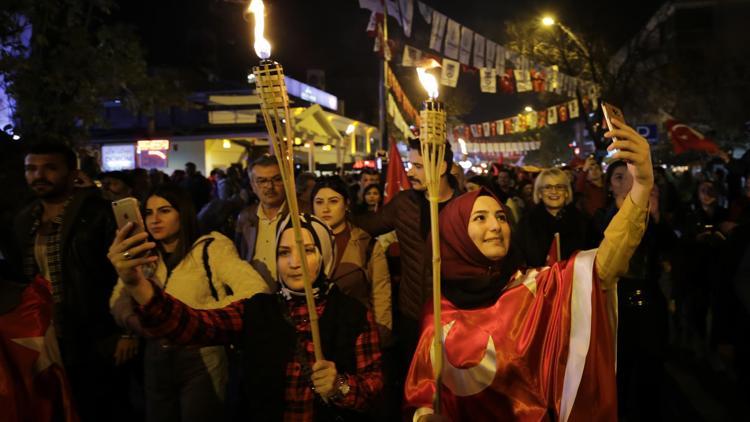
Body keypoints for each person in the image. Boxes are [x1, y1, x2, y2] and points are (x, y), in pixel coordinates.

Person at [405, 118, 652, 421]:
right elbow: (426, 392)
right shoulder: (438, 311)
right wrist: (427, 415)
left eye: (501, 216)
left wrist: (641, 186)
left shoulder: (534, 288)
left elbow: (604, 264)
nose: (496, 226)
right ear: (456, 234)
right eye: (480, 218)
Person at [108, 213, 383, 421]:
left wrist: (340, 386)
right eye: (283, 252)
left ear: (326, 256)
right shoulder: (256, 310)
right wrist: (136, 283)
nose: (294, 263)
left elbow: (374, 390)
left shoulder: (354, 314)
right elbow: (190, 326)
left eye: (307, 250)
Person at [109, 184, 268, 422]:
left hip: (201, 356)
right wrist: (135, 324)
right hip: (156, 357)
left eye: (164, 210)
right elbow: (118, 299)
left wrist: (195, 320)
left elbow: (255, 290)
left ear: (182, 213)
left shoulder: (211, 247)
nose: (155, 220)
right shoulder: (147, 254)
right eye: (149, 213)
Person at [13, 142, 124, 420]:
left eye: (50, 168)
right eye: (31, 169)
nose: (39, 175)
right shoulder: (24, 219)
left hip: (93, 334)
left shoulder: (99, 214)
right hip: (42, 337)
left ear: (72, 172)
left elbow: (125, 273)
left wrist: (126, 331)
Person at [352, 138, 457, 375]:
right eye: (410, 165)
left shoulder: (465, 207)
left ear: (441, 168)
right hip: (413, 314)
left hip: (455, 315)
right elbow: (368, 226)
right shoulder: (404, 203)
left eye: (418, 166)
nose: (410, 172)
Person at [311, 176, 392, 342]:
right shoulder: (304, 243)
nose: (325, 208)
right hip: (314, 335)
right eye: (319, 202)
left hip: (357, 334)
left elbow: (381, 294)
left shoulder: (366, 245)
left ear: (346, 203)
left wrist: (382, 335)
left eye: (333, 201)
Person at [516, 168, 593, 267]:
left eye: (559, 187)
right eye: (548, 187)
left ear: (566, 192)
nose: (554, 191)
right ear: (539, 193)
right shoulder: (527, 224)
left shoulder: (583, 222)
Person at [235, 154, 288, 285]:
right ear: (253, 186)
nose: (269, 186)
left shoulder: (302, 214)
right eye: (262, 181)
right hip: (253, 293)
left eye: (276, 179)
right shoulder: (245, 216)